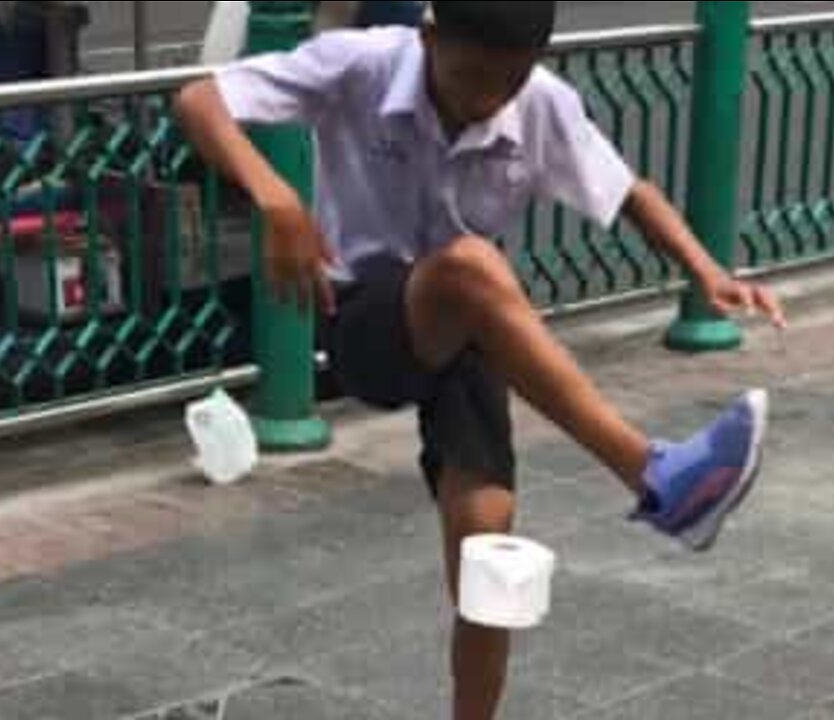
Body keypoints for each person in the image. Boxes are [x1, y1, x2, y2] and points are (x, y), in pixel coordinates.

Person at [175, 3, 786, 718]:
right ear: (430, 36)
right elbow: (200, 100)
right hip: (365, 319)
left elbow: (628, 193)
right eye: (469, 75)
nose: (487, 99)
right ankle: (654, 476)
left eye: (511, 79)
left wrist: (707, 271)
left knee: (490, 562)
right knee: (471, 264)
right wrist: (275, 195)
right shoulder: (364, 62)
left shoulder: (543, 104)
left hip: (469, 336)